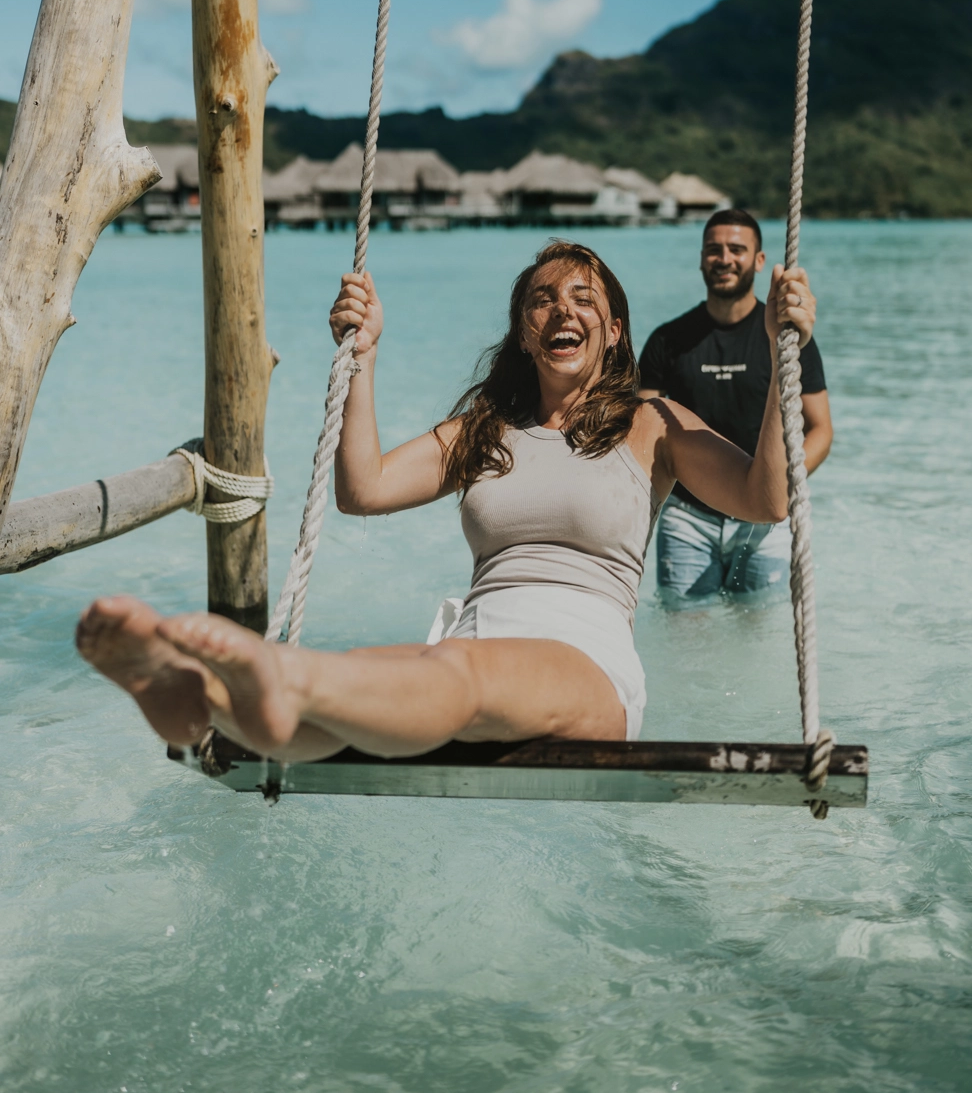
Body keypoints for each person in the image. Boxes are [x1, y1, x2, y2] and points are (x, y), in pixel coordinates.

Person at [76, 240, 817, 760]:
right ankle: (203, 707)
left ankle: (269, 679)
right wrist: (362, 355)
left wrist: (785, 355)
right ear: (524, 334)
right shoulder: (485, 429)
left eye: (583, 299)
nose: (562, 309)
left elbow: (767, 496)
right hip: (472, 639)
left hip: (585, 662)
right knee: (373, 694)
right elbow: (363, 489)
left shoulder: (651, 423)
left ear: (614, 331)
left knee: (451, 681)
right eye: (541, 300)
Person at [638, 209, 832, 605]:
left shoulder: (788, 338)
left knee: (756, 649)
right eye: (713, 249)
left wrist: (775, 481)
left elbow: (820, 430)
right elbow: (641, 437)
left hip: (765, 520)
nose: (724, 258)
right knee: (687, 641)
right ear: (700, 259)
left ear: (760, 261)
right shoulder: (667, 341)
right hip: (688, 518)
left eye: (736, 249)